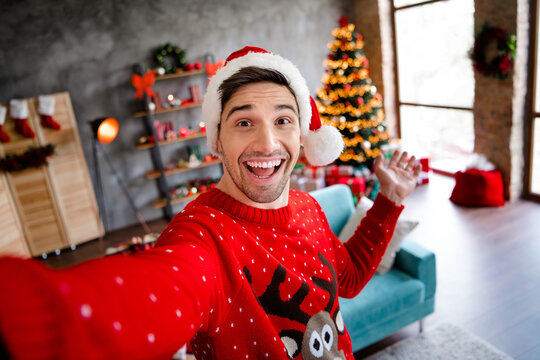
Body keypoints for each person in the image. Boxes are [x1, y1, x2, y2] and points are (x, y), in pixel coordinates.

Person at [0, 46, 421, 360]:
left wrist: (390, 199)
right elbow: (156, 293)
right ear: (217, 140)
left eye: (283, 120)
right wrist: (30, 317)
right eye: (244, 122)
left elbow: (347, 280)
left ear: (302, 135)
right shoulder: (202, 237)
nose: (268, 143)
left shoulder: (308, 207)